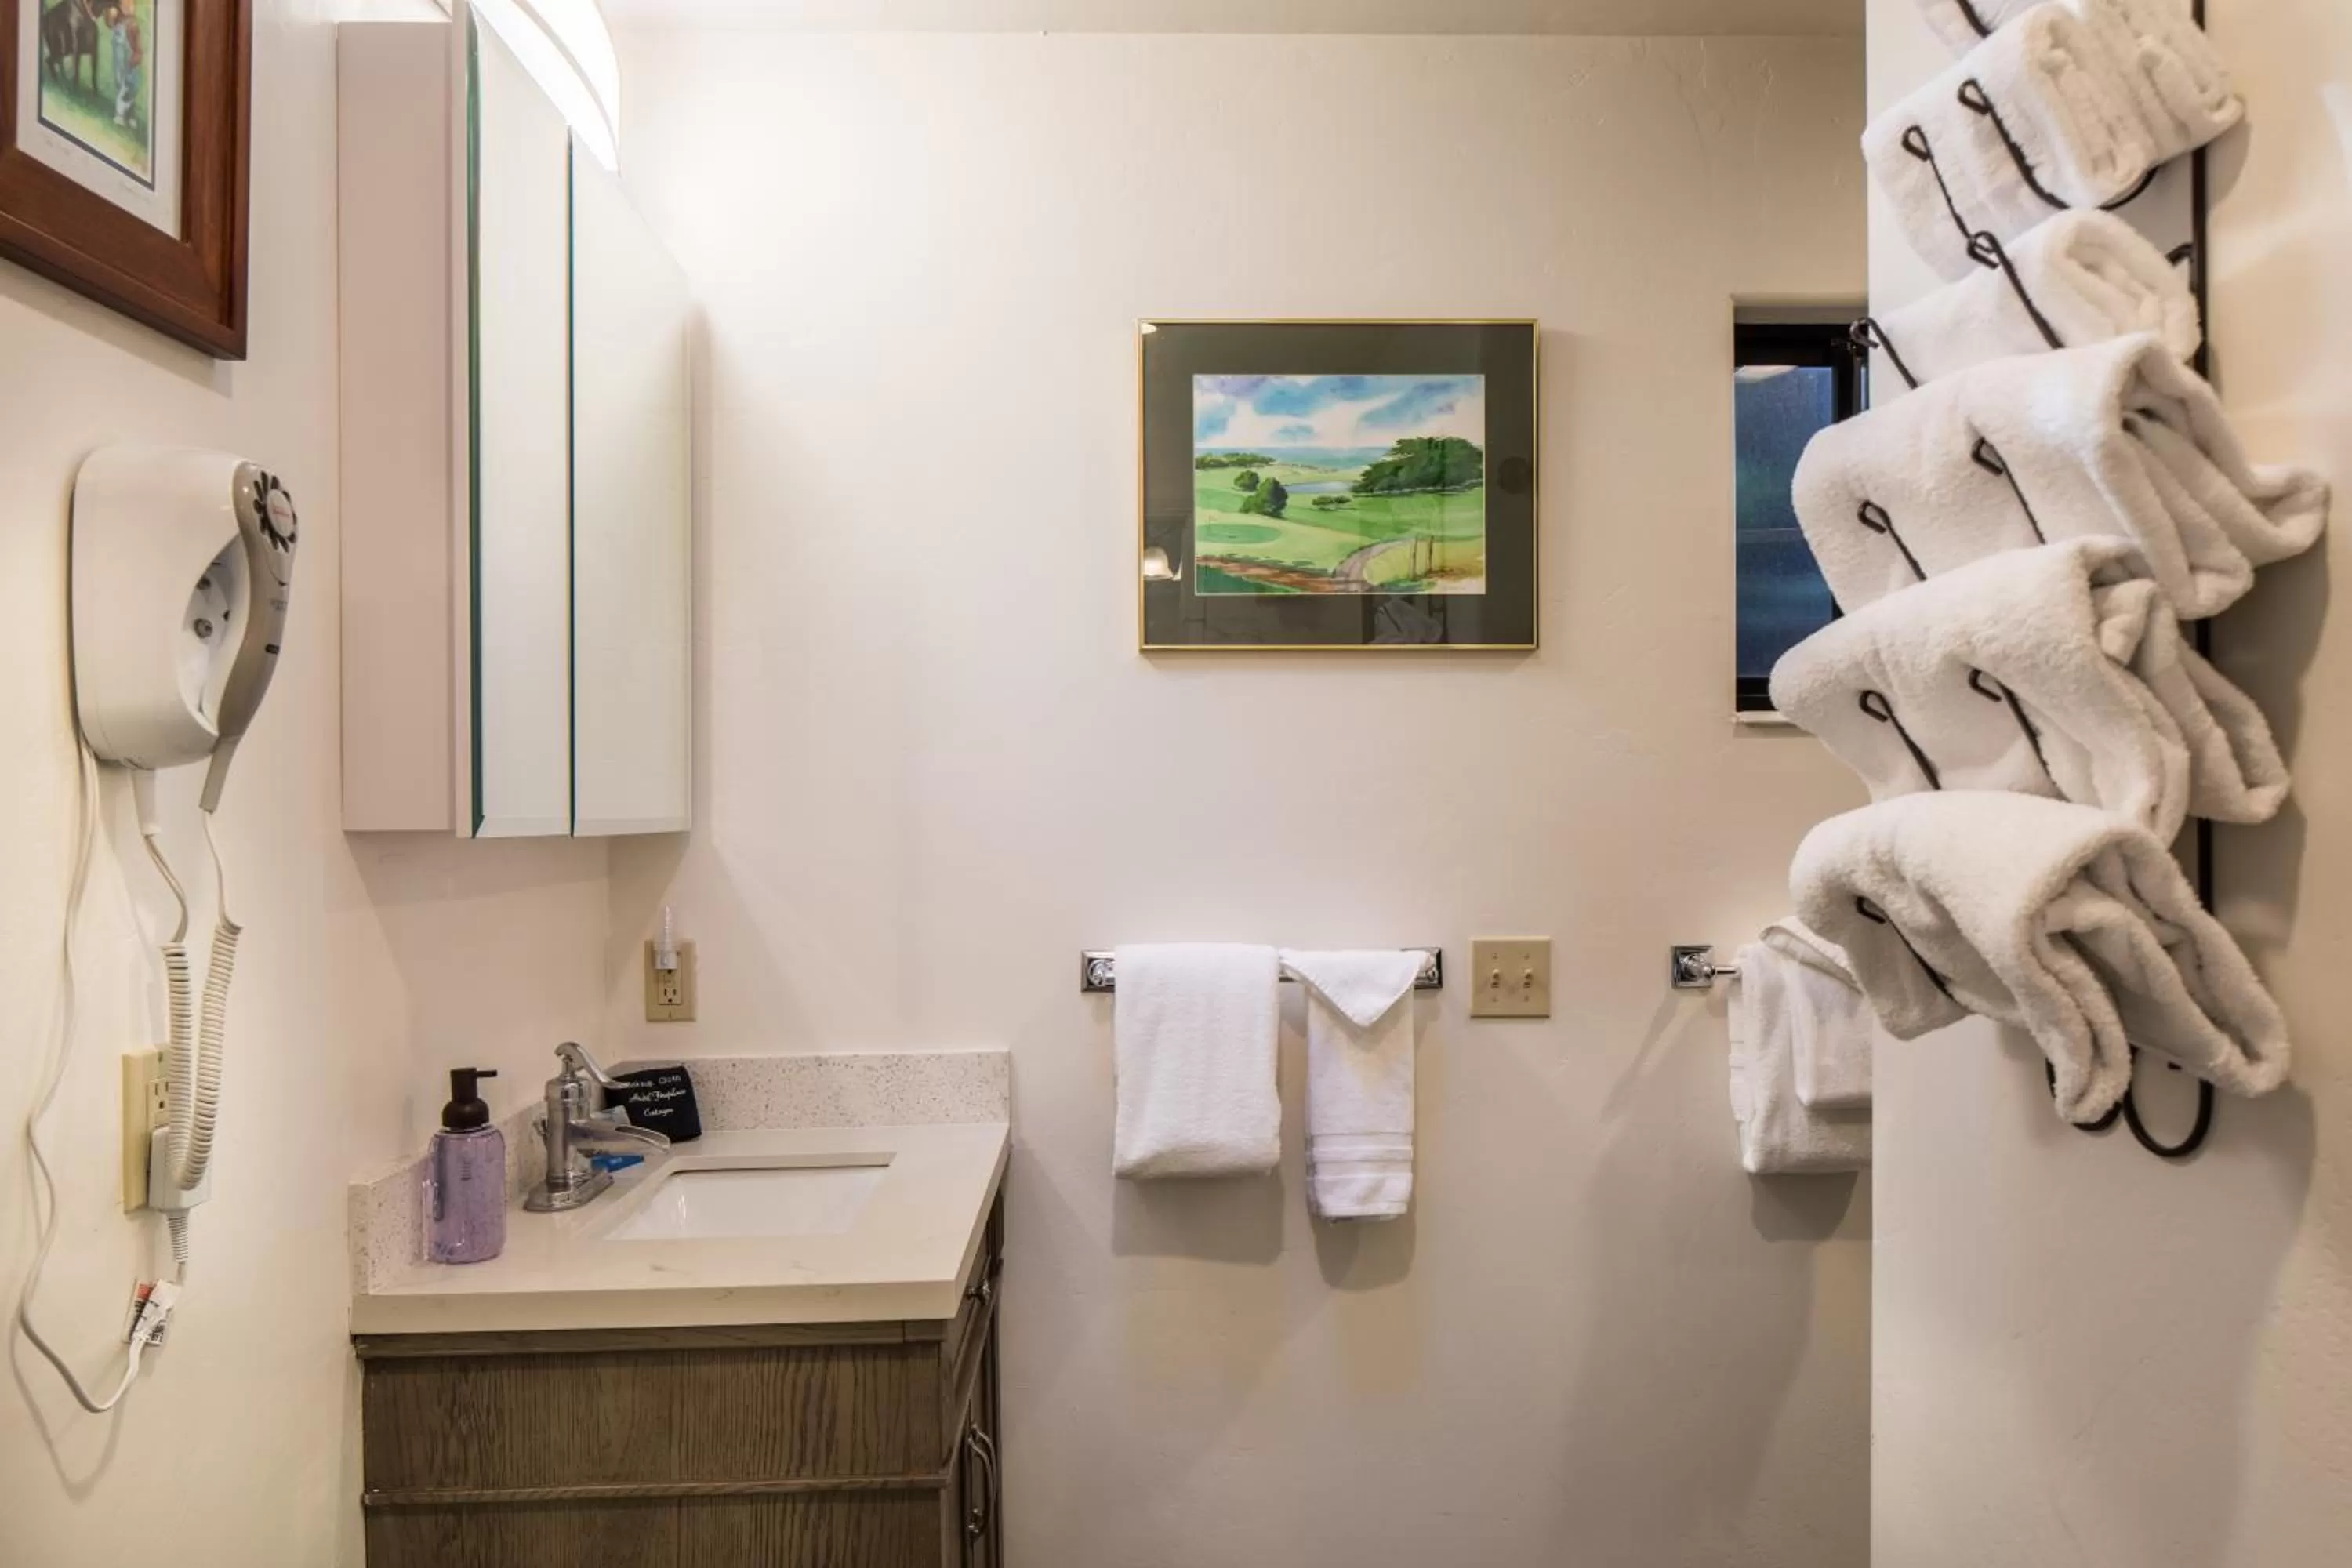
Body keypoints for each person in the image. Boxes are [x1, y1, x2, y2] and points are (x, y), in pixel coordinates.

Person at [107, 0, 141, 132]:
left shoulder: (132, 22)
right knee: (120, 79)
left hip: (129, 35)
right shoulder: (115, 9)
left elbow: (130, 12)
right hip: (119, 38)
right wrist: (112, 14)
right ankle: (129, 113)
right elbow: (110, 22)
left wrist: (137, 52)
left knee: (131, 81)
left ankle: (121, 114)